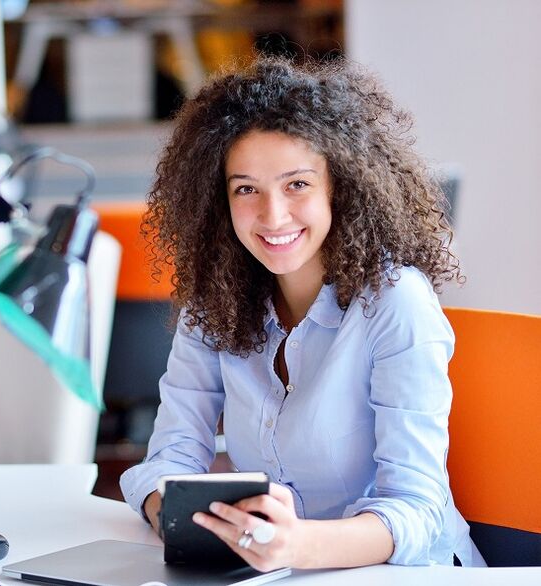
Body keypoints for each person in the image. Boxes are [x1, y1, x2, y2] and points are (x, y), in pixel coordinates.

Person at [119, 57, 483, 570]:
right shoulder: (214, 302)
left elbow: (416, 511)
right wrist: (181, 520)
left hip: (401, 575)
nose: (273, 216)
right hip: (276, 571)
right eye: (246, 188)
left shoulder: (395, 302)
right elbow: (169, 460)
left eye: (297, 185)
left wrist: (295, 546)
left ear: (341, 185)